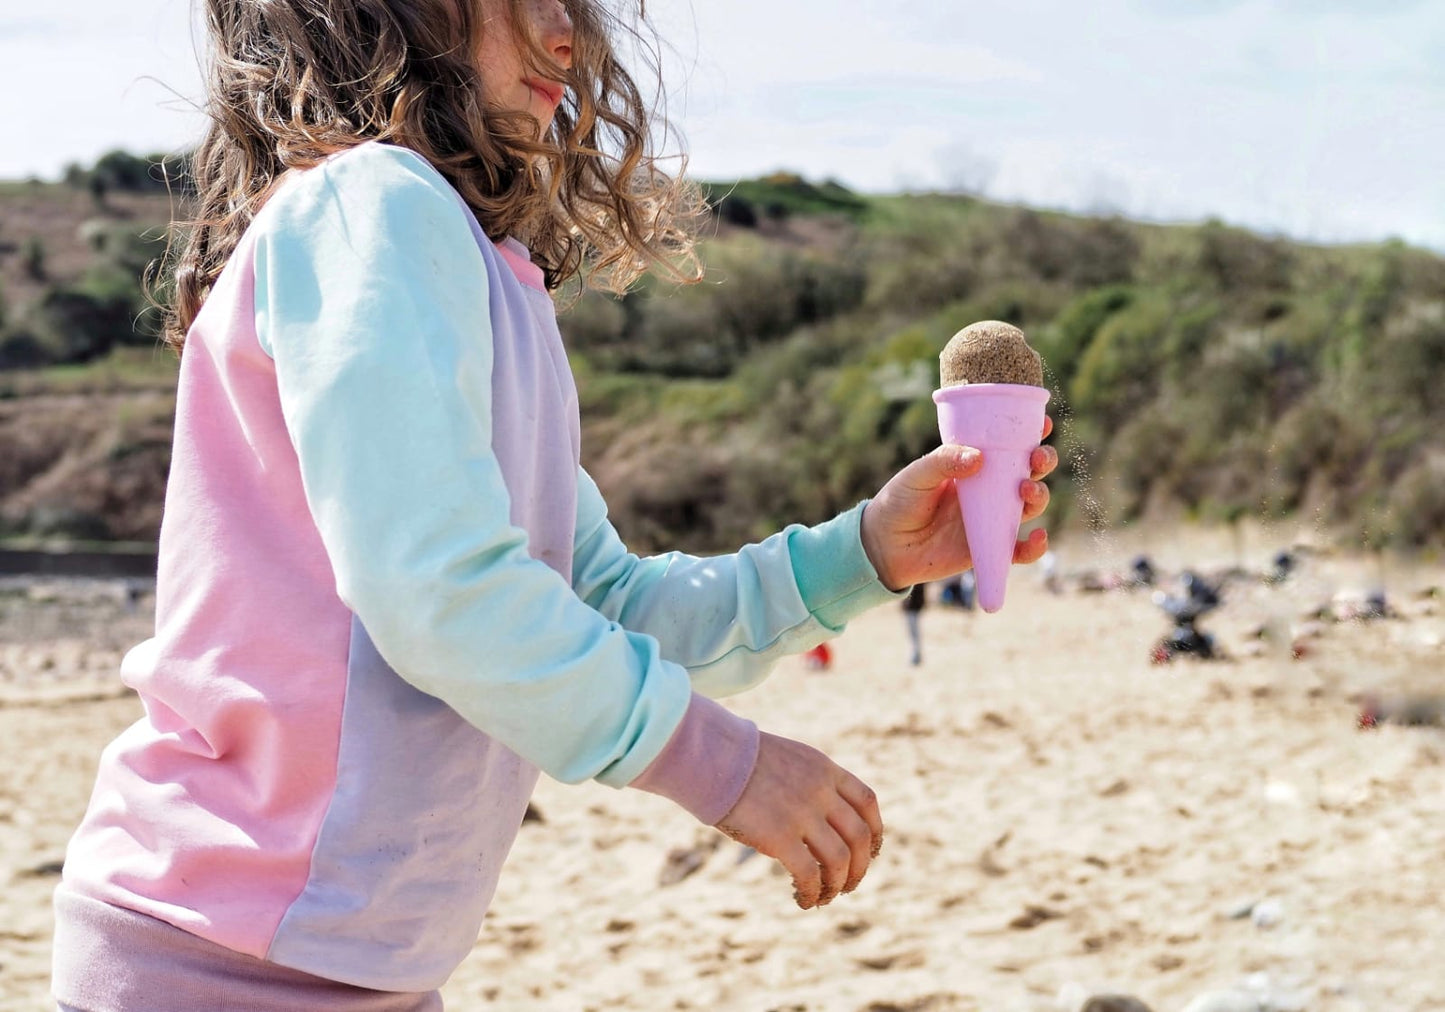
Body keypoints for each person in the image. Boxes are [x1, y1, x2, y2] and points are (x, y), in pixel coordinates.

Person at [51, 1, 1057, 1008]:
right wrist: (721, 764)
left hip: (350, 960)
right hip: (213, 954)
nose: (567, 32)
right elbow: (439, 591)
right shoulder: (371, 204)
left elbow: (601, 603)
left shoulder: (470, 263)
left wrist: (863, 554)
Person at [902, 582, 927, 665]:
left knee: (914, 633)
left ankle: (916, 655)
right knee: (913, 633)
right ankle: (916, 655)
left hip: (913, 606)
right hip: (913, 606)